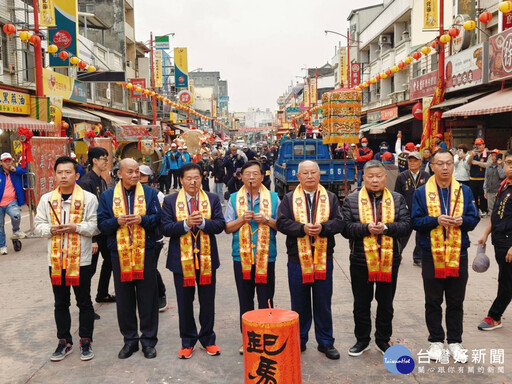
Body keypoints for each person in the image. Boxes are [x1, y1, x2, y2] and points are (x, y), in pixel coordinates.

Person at [411, 149, 480, 363]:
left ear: (454, 165)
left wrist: (462, 222)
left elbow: (473, 218)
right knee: (433, 299)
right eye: (439, 163)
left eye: (448, 163)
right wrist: (435, 220)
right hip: (431, 253)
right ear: (431, 166)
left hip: (458, 252)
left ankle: (455, 341)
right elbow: (415, 221)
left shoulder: (465, 191)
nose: (444, 168)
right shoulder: (421, 192)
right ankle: (436, 341)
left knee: (456, 299)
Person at [341, 160, 410, 356]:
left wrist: (387, 228)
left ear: (385, 178)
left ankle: (382, 339)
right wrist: (366, 228)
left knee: (386, 303)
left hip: (389, 261)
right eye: (370, 176)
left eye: (379, 176)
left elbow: (406, 225)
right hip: (361, 261)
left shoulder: (397, 199)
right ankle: (362, 340)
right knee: (361, 303)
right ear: (363, 178)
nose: (374, 180)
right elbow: (345, 229)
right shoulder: (352, 200)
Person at [276, 160, 343, 360]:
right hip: (297, 258)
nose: (309, 176)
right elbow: (281, 223)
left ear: (319, 175)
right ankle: (299, 339)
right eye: (305, 173)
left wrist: (323, 228)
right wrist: (301, 229)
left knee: (323, 302)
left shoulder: (330, 197)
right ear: (298, 177)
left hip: (323, 258)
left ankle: (326, 342)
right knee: (300, 302)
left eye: (313, 172)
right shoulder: (288, 199)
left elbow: (339, 222)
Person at [34, 156, 99, 361]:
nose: (63, 176)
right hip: (56, 260)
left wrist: (76, 228)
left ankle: (85, 340)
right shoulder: (46, 199)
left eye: (68, 172)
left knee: (84, 301)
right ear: (54, 175)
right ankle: (64, 340)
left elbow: (96, 226)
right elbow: (38, 225)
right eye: (60, 172)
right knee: (60, 302)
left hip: (81, 260)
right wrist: (51, 230)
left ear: (76, 175)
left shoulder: (89, 198)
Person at [97, 158, 162, 359]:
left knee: (148, 298)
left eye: (137, 172)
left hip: (146, 252)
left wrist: (142, 220)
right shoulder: (108, 197)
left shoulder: (150, 194)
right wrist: (116, 221)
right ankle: (130, 341)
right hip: (119, 253)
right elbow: (102, 224)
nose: (135, 175)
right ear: (119, 174)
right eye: (130, 172)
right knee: (124, 299)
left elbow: (158, 219)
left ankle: (149, 341)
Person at [161, 163, 225, 359]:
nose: (193, 182)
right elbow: (165, 228)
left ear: (201, 178)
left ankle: (208, 339)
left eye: (196, 177)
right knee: (184, 302)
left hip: (206, 260)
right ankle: (187, 341)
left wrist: (204, 223)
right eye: (188, 178)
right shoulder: (170, 201)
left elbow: (220, 225)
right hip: (181, 261)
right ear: (181, 180)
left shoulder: (212, 199)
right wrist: (186, 224)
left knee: (207, 302)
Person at [224, 161, 279, 354]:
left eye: (255, 174)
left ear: (262, 177)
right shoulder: (233, 199)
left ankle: (266, 337)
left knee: (266, 299)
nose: (251, 177)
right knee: (245, 300)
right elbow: (227, 228)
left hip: (266, 256)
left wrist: (266, 220)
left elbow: (281, 225)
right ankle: (248, 338)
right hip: (241, 257)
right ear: (241, 177)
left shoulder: (273, 198)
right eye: (247, 174)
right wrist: (241, 220)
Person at [477, 149, 512, 331]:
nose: (510, 167)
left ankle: (494, 316)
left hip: (509, 245)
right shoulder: (504, 185)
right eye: (508, 163)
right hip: (499, 242)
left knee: (506, 282)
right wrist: (485, 234)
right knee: (504, 279)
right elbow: (497, 215)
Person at [77, 147, 115, 315]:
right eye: (103, 159)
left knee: (110, 261)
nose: (106, 162)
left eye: (107, 160)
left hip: (102, 230)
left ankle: (102, 293)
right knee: (89, 270)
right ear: (94, 161)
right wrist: (91, 238)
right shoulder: (86, 182)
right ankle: (85, 306)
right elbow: (85, 211)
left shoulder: (101, 179)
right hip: (91, 233)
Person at [139, 165, 167, 312]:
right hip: (134, 239)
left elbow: (161, 217)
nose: (138, 177)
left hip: (154, 238)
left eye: (142, 175)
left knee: (150, 268)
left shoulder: (157, 194)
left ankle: (160, 293)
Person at [394, 152, 430, 266]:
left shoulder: (426, 176)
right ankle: (397, 254)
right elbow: (397, 194)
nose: (412, 163)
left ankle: (418, 258)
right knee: (403, 234)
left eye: (415, 161)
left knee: (421, 234)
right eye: (410, 161)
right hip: (406, 211)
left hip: (421, 211)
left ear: (420, 162)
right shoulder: (401, 176)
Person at [0, 152, 27, 255]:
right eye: (5, 161)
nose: (8, 163)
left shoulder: (15, 172)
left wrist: (15, 169)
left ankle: (16, 230)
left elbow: (25, 171)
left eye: (9, 161)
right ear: (1, 163)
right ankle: (2, 246)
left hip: (11, 202)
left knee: (16, 215)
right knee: (0, 227)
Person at [468, 138, 492, 217]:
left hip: (483, 179)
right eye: (477, 145)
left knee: (483, 196)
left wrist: (478, 163)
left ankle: (484, 210)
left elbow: (488, 164)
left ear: (484, 145)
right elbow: (468, 163)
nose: (478, 146)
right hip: (473, 178)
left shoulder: (488, 154)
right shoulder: (472, 153)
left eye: (480, 145)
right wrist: (471, 156)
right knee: (473, 196)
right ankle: (474, 211)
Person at [484, 149, 505, 213]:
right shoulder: (488, 167)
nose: (493, 157)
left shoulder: (503, 166)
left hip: (498, 191)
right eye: (492, 156)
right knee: (491, 210)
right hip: (490, 191)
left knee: (498, 209)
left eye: (495, 156)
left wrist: (499, 166)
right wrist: (485, 191)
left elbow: (502, 176)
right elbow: (486, 179)